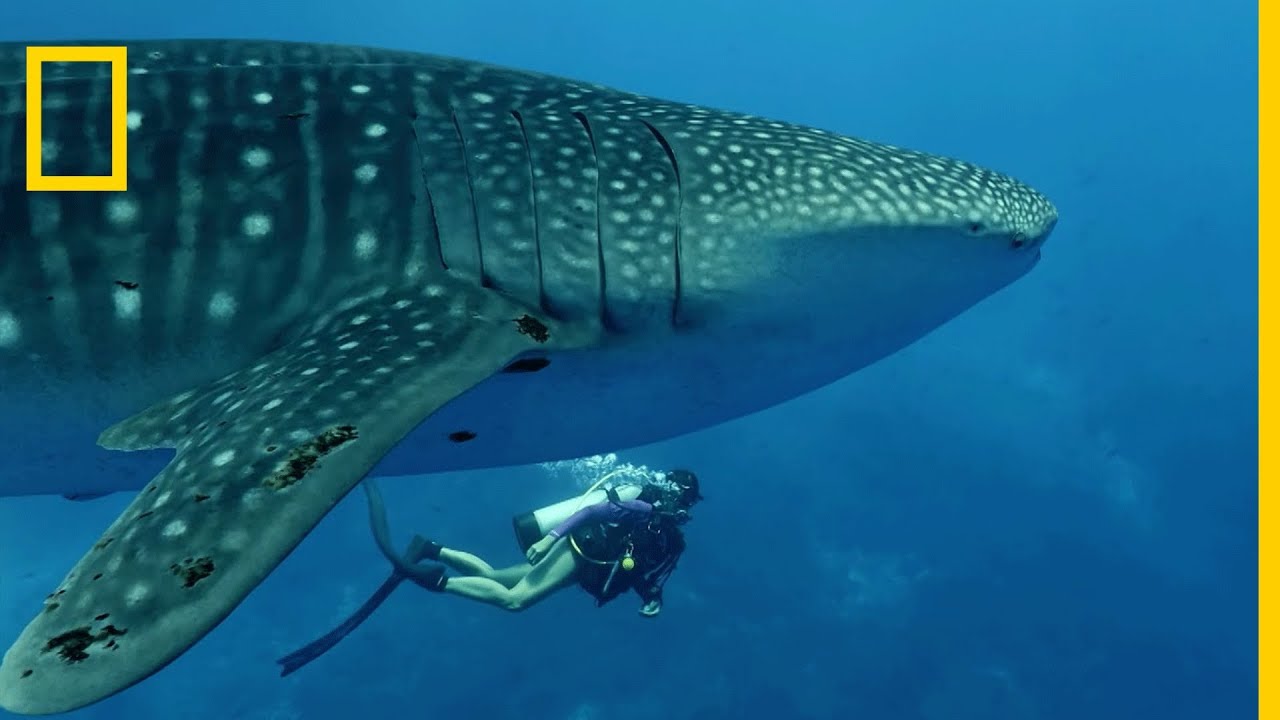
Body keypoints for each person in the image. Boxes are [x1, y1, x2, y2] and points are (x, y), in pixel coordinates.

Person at [277, 469, 703, 676]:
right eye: (687, 501)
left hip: (586, 568)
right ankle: (432, 579)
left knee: (500, 578)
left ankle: (432, 549)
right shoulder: (648, 508)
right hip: (579, 553)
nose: (687, 511)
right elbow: (593, 510)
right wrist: (549, 538)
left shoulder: (670, 539)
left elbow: (644, 575)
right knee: (515, 601)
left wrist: (652, 598)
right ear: (677, 494)